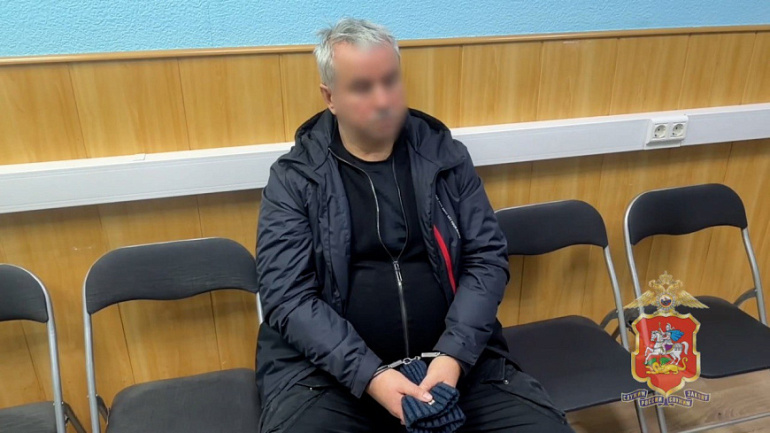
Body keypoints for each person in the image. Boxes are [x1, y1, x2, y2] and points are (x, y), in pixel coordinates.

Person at [255, 17, 574, 433]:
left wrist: (453, 356)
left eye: (391, 81)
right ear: (330, 96)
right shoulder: (295, 178)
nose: (383, 99)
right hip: (331, 377)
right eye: (363, 88)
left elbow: (487, 259)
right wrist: (370, 375)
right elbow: (288, 297)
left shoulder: (446, 157)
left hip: (454, 362)